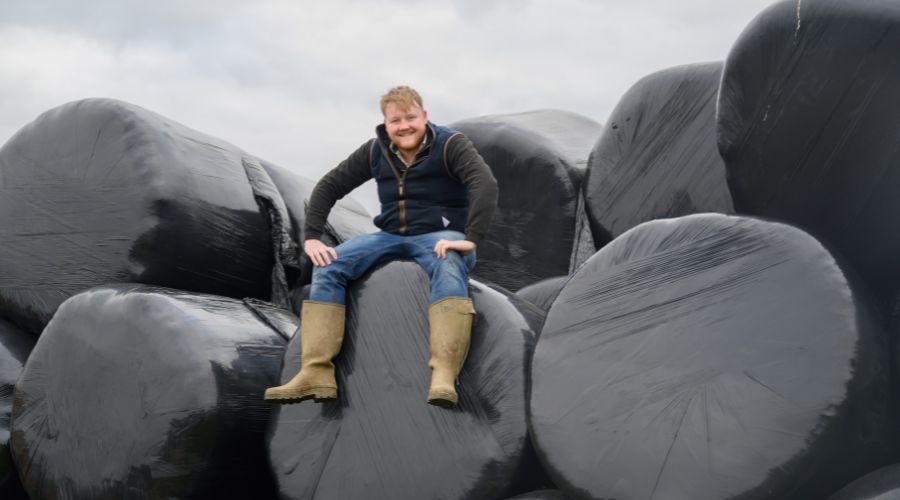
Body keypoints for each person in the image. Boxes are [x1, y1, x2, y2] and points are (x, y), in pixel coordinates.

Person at [264, 85, 498, 408]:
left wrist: (471, 237)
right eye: (396, 120)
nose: (404, 126)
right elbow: (329, 185)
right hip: (388, 236)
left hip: (438, 236)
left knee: (448, 262)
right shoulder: (376, 151)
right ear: (385, 124)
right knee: (329, 265)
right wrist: (313, 237)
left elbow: (483, 183)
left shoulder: (450, 145)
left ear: (425, 116)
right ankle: (316, 372)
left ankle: (444, 372)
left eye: (411, 117)